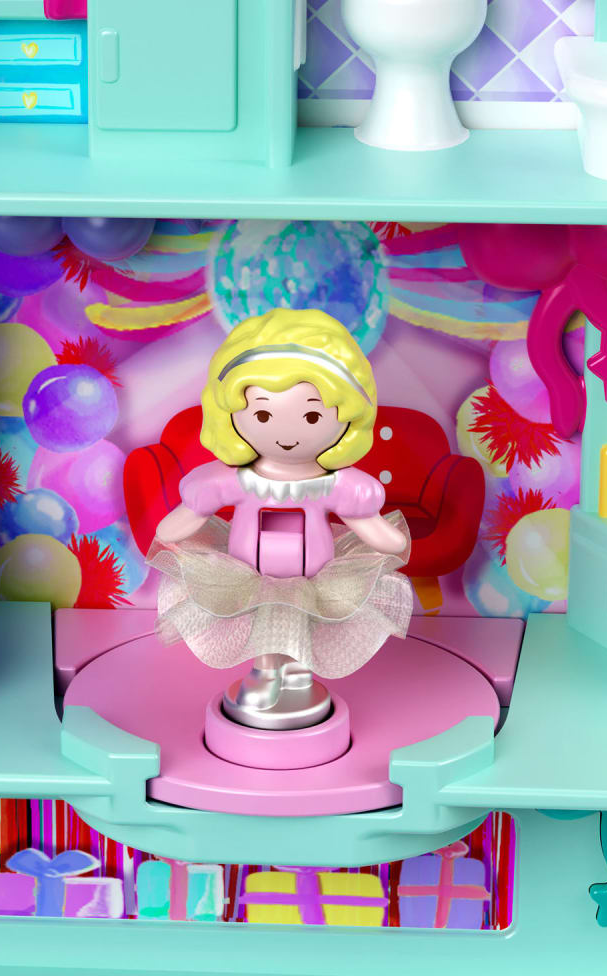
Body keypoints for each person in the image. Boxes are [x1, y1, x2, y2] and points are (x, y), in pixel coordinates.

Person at [150, 308, 411, 718]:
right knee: (263, 625)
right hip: (248, 572)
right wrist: (177, 526)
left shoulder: (332, 484)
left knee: (306, 621)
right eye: (263, 414)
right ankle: (266, 672)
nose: (287, 434)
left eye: (312, 415)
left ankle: (299, 673)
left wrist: (385, 537)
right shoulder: (237, 480)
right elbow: (193, 511)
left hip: (314, 573)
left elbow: (365, 521)